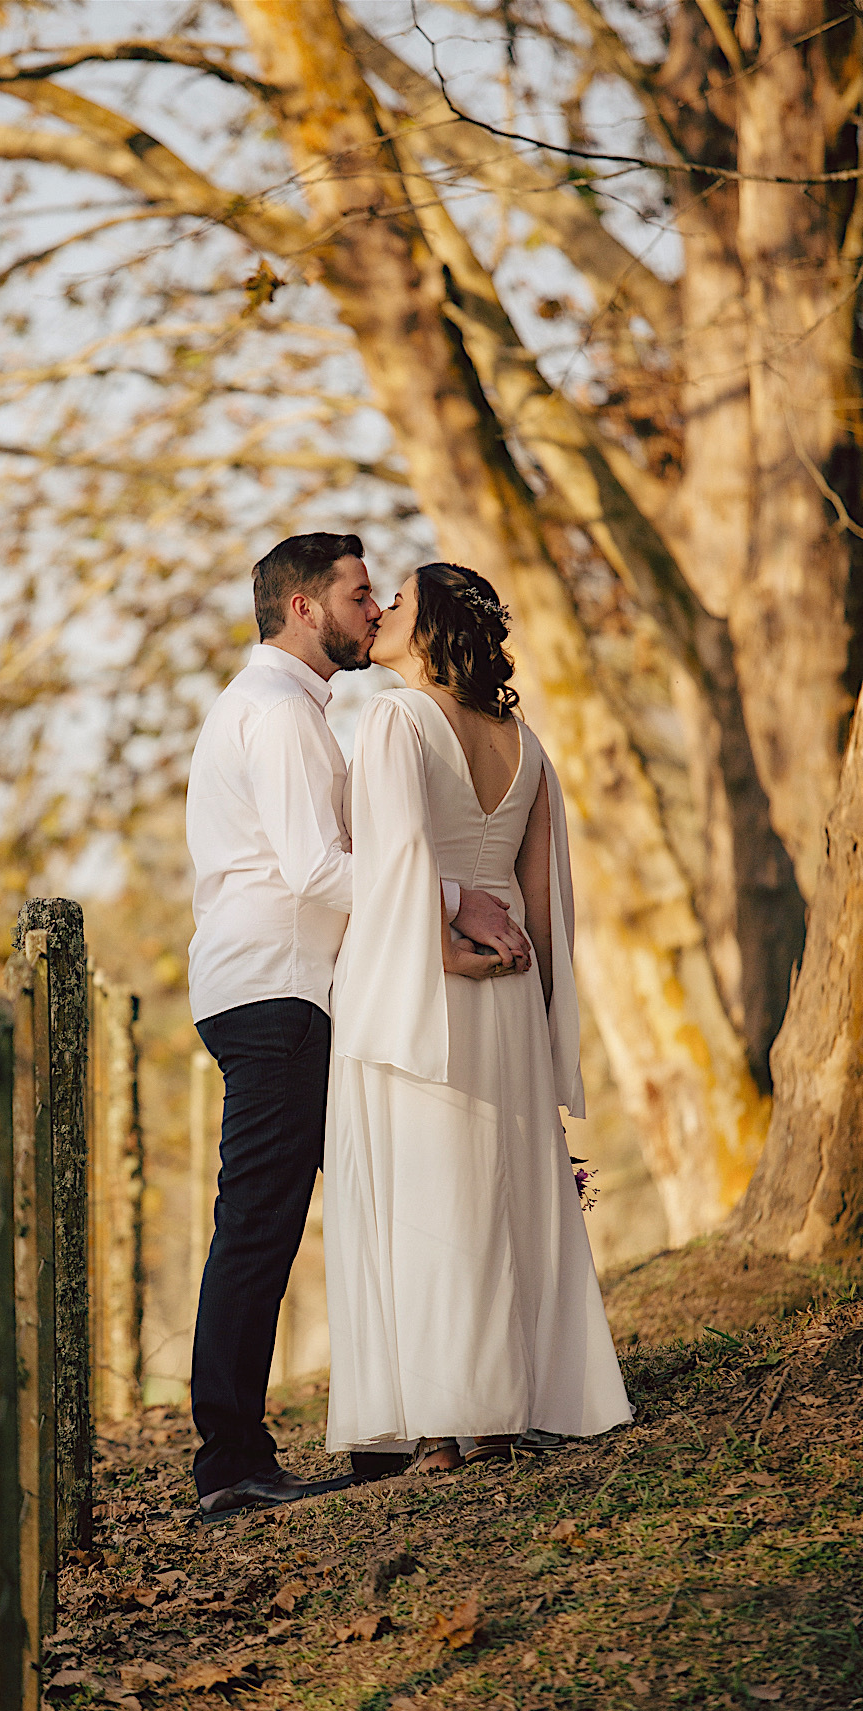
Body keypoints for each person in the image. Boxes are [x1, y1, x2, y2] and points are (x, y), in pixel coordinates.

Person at [185, 533, 530, 1516]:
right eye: (359, 594)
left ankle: (402, 1422)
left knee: (381, 1193)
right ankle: (232, 1465)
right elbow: (322, 872)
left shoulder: (292, 709)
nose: (374, 611)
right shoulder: (279, 716)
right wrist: (457, 894)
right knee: (260, 1221)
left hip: (290, 985)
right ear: (306, 608)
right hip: (279, 989)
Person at [323, 562, 631, 1472]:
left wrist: (447, 954)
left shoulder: (396, 719)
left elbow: (395, 867)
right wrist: (533, 1012)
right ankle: (501, 1413)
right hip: (510, 991)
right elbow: (545, 904)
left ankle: (440, 1432)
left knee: (430, 1196)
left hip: (427, 982)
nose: (380, 612)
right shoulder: (526, 743)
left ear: (431, 630)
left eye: (400, 603)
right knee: (500, 1194)